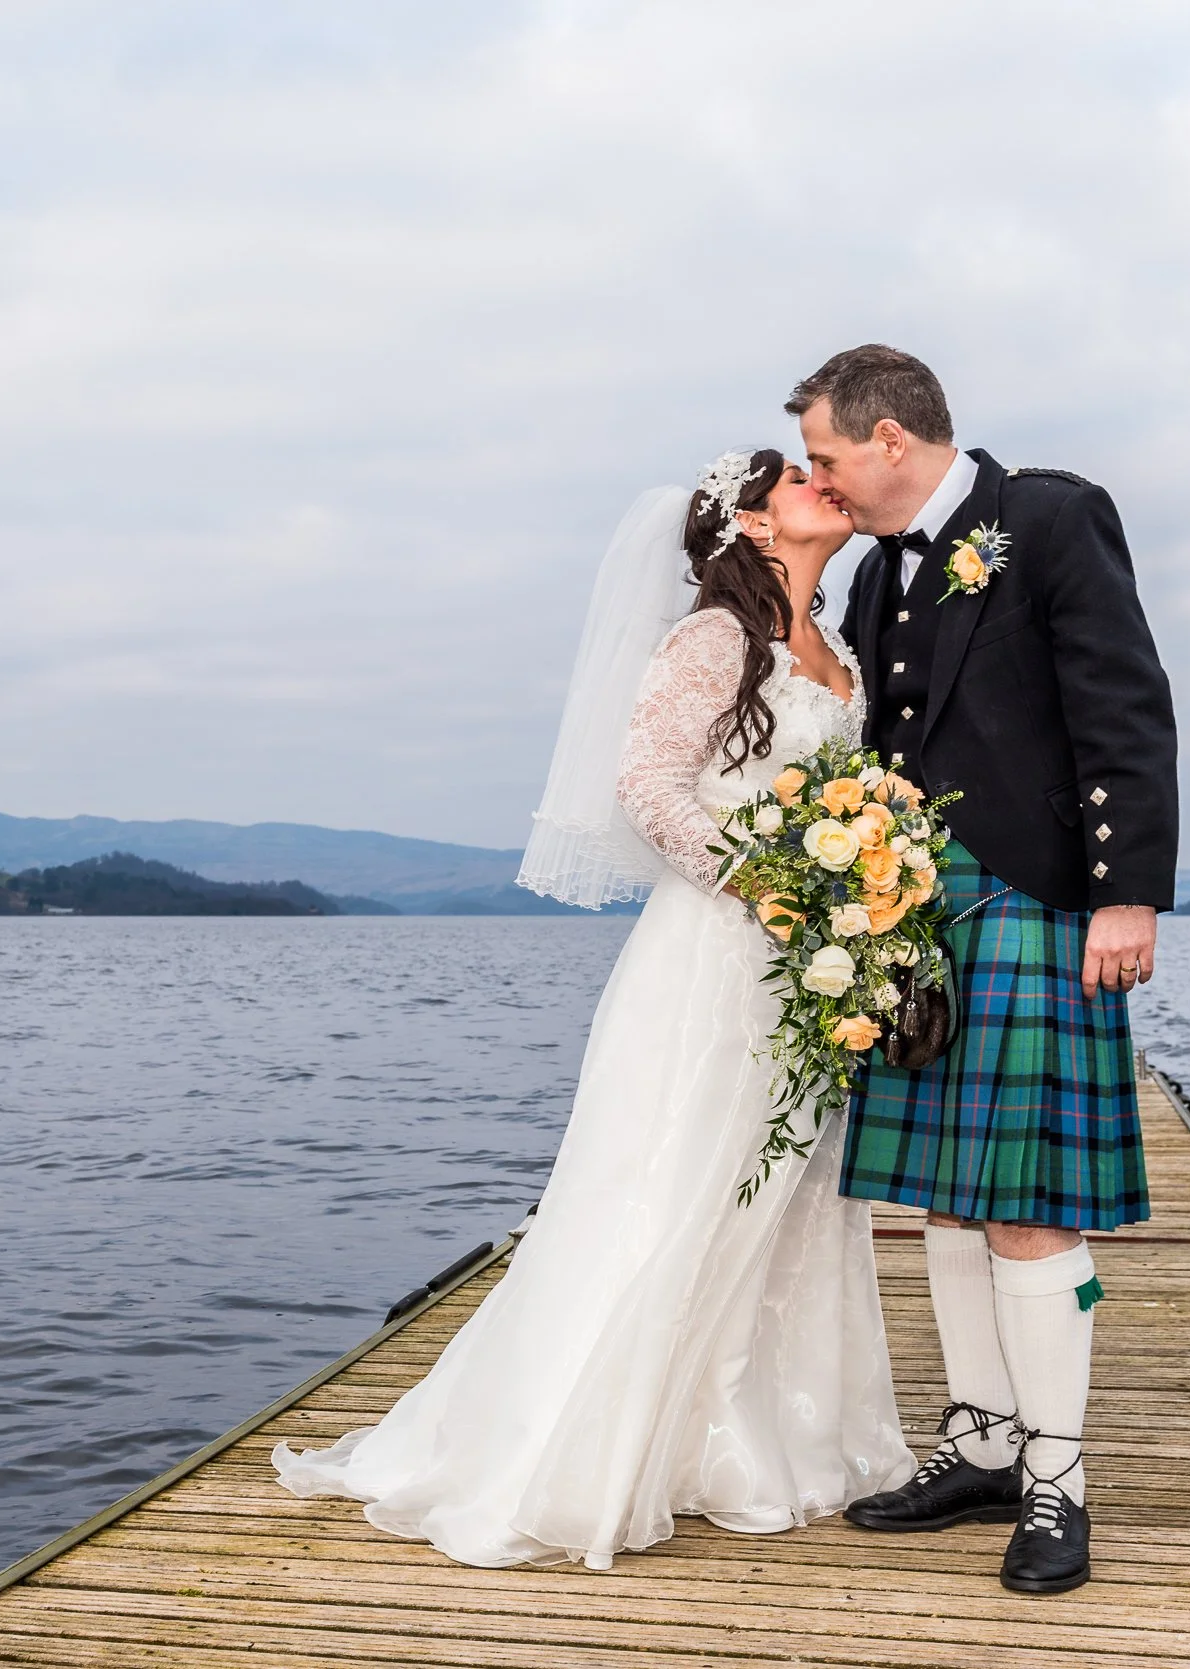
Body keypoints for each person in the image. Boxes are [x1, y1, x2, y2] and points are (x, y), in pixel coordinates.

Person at [271, 450, 915, 1569]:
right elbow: (647, 787)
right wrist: (767, 886)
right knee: (675, 1181)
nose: (830, 483)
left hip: (806, 968)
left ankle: (755, 1439)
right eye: (804, 480)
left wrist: (859, 891)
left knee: (785, 1193)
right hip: (714, 956)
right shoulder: (713, 641)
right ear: (757, 525)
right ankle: (589, 1451)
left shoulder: (840, 649)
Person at [792, 344, 1179, 1595]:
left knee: (1026, 1203)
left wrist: (1126, 892)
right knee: (947, 1195)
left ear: (890, 438)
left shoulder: (1050, 518)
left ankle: (1058, 1481)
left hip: (1027, 894)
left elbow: (1123, 701)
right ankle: (982, 1441)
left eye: (827, 455)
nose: (823, 479)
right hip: (913, 912)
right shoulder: (873, 579)